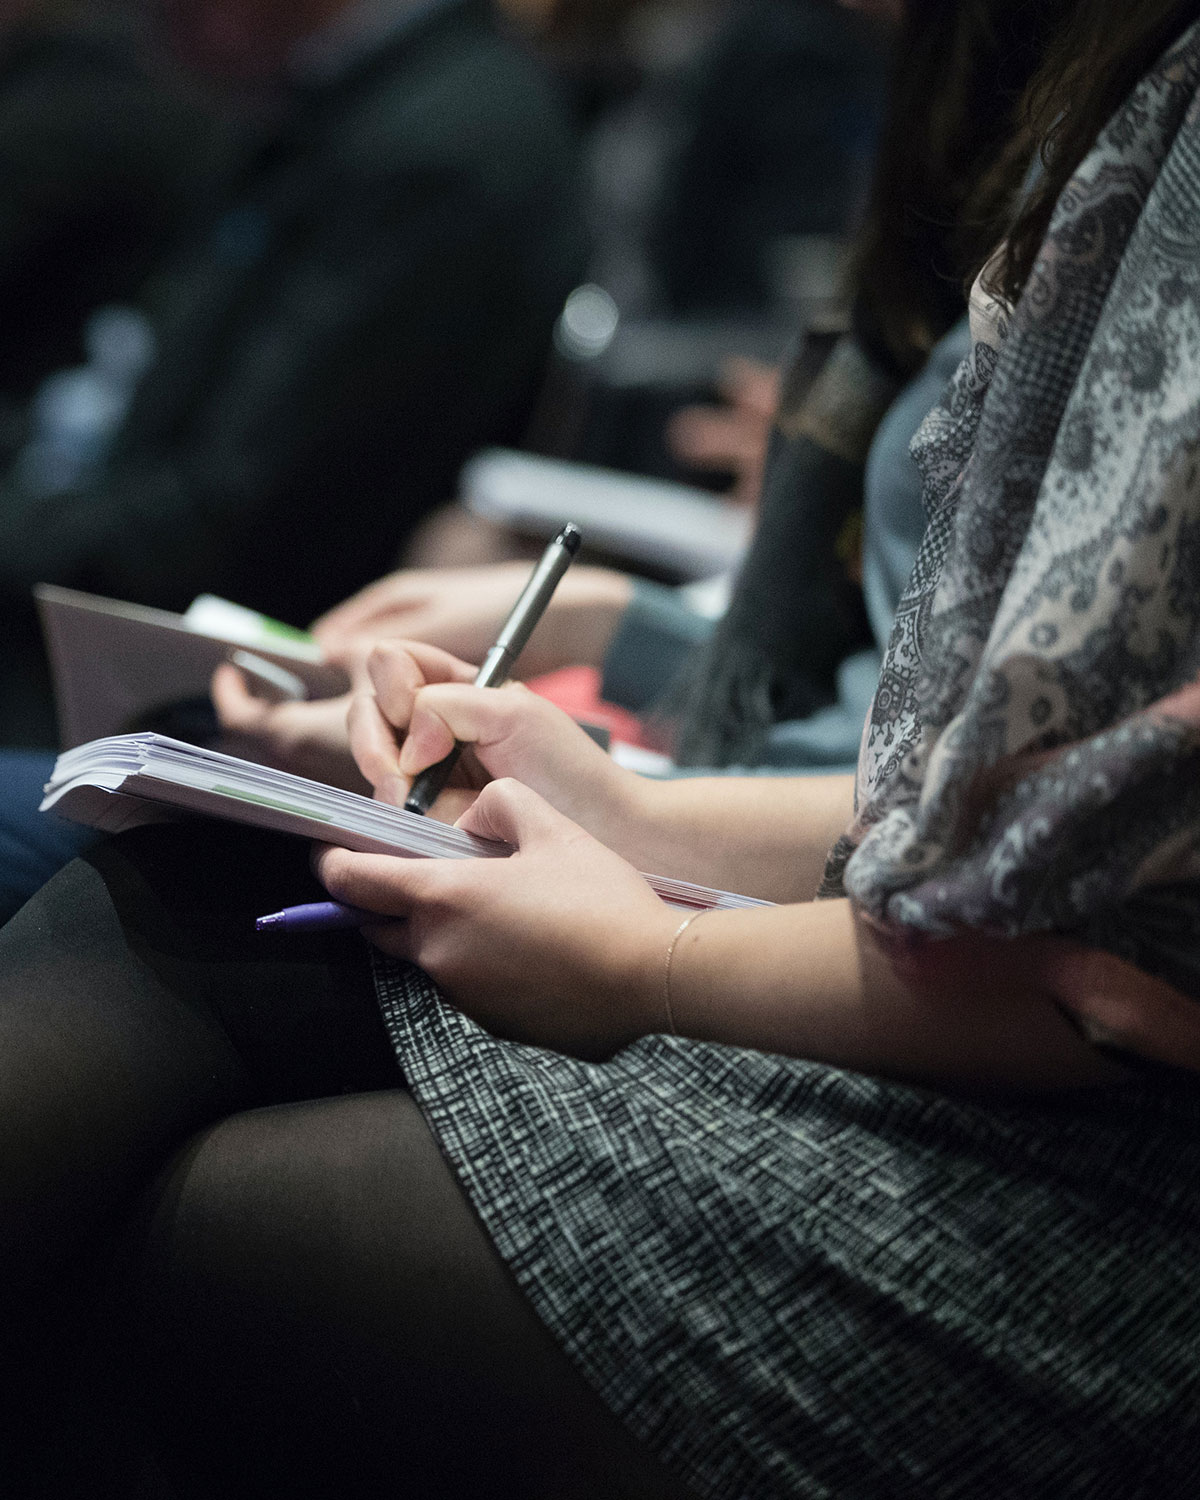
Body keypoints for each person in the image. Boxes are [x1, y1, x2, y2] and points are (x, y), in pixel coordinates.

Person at [4, 2, 1200, 1495]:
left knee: (186, 1214)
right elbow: (960, 799)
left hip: (1098, 1186)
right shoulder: (1078, 96)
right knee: (164, 883)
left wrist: (653, 951)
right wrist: (621, 802)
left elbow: (1106, 951)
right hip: (898, 936)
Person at [0, 0, 587, 747]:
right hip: (101, 579)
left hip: (205, 680)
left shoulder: (440, 145)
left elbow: (222, 526)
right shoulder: (363, 90)